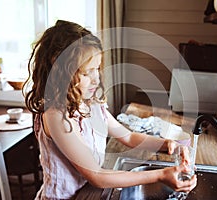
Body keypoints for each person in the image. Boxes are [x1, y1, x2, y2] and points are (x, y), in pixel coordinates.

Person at [24, 20, 197, 199]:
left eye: (97, 69)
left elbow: (128, 137)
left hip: (87, 194)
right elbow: (96, 176)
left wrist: (167, 145)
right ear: (61, 72)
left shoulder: (91, 105)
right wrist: (160, 175)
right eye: (86, 72)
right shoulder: (56, 117)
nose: (96, 79)